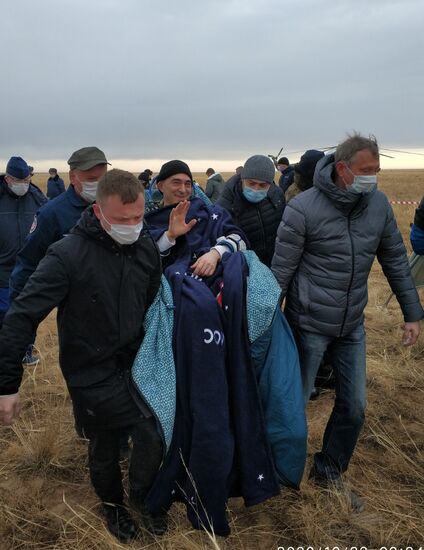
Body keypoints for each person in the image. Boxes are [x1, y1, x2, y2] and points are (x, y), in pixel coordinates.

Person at [0, 169, 164, 542]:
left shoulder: (144, 245)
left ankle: (142, 499)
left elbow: (152, 295)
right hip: (89, 369)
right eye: (122, 220)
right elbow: (22, 315)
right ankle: (113, 507)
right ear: (99, 212)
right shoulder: (67, 255)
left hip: (135, 363)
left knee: (152, 433)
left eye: (138, 217)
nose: (133, 226)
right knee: (106, 442)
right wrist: (7, 383)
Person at [271, 133, 423, 511]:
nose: (374, 177)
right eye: (367, 170)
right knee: (294, 404)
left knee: (353, 405)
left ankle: (329, 470)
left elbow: (395, 261)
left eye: (378, 170)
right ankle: (281, 472)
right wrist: (265, 323)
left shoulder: (379, 206)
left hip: (352, 324)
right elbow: (281, 273)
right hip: (307, 324)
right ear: (342, 169)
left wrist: (412, 313)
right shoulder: (303, 208)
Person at [143, 160, 287, 536]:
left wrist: (217, 254)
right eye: (176, 183)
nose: (184, 189)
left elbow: (240, 239)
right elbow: (145, 264)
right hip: (184, 314)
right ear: (160, 185)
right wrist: (170, 239)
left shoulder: (212, 212)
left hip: (223, 306)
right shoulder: (151, 220)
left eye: (188, 183)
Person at [9, 147, 109, 301]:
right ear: (73, 177)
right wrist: (18, 310)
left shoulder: (114, 206)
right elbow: (28, 262)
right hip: (76, 306)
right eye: (91, 179)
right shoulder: (51, 214)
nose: (98, 184)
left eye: (102, 179)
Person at [0, 157, 47, 334]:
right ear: (7, 179)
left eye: (26, 180)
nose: (23, 184)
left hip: (28, 271)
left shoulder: (37, 198)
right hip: (2, 273)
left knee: (28, 314)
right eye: (18, 181)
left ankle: (26, 350)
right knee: (5, 314)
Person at [217, 155, 285, 267]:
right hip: (244, 267)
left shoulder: (277, 196)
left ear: (270, 184)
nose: (256, 189)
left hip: (274, 263)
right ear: (242, 180)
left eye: (263, 185)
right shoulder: (226, 203)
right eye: (251, 183)